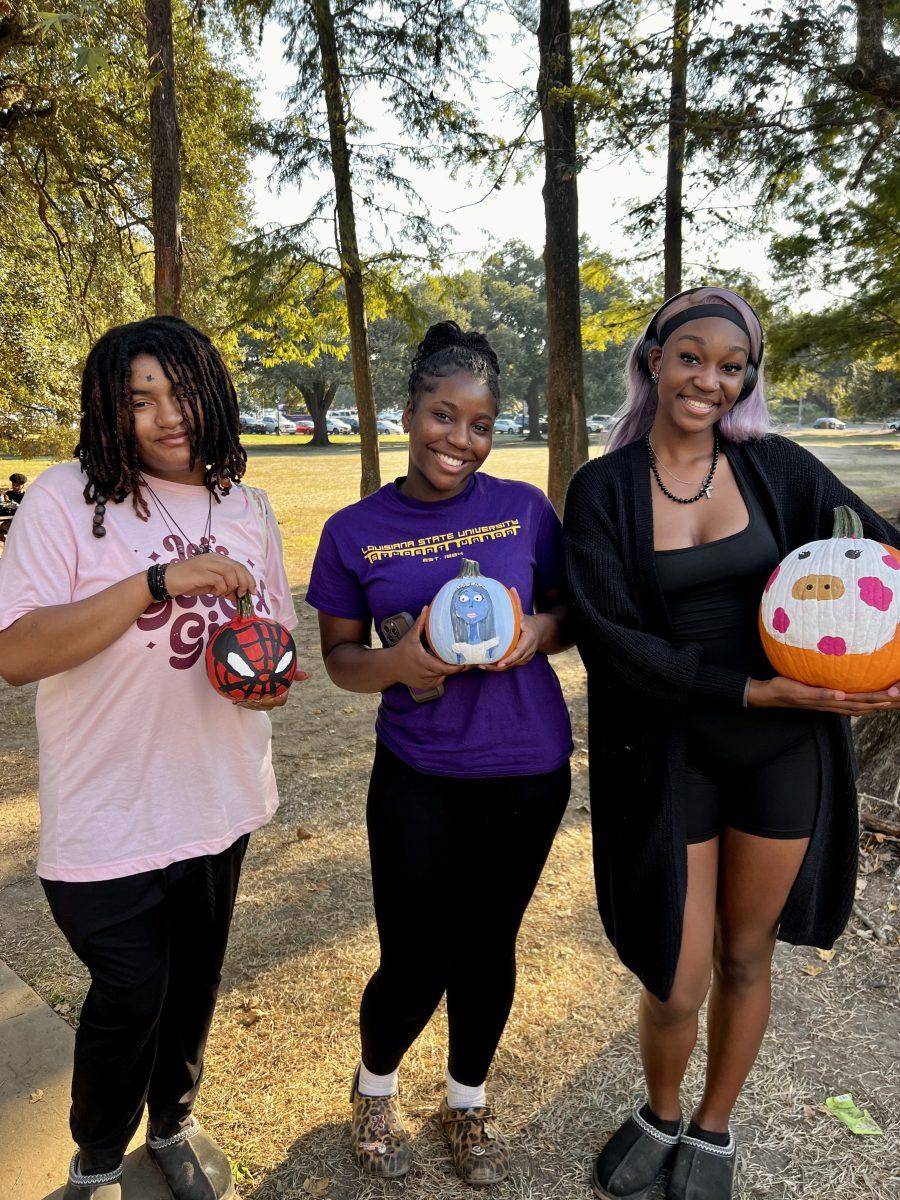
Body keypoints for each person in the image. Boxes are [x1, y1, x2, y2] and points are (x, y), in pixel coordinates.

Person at [563, 286, 900, 1200]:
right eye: (691, 357)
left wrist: (879, 666)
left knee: (748, 955)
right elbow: (613, 636)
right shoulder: (603, 488)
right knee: (676, 980)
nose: (708, 379)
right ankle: (659, 1109)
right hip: (670, 756)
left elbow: (879, 552)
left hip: (786, 750)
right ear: (653, 359)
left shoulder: (779, 469)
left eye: (731, 365)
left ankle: (711, 1128)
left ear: (745, 379)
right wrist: (749, 685)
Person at [0, 316, 299, 1200]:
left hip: (219, 798)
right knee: (130, 994)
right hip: (110, 811)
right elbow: (16, 653)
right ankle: (95, 1160)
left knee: (194, 984)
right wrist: (160, 581)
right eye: (140, 401)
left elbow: (273, 634)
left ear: (213, 390)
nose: (168, 416)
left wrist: (270, 675)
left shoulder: (245, 505)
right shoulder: (67, 497)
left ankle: (171, 1121)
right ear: (110, 413)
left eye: (181, 391)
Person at [306, 321, 573, 1187]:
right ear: (411, 411)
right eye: (442, 416)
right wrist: (402, 665)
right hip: (418, 772)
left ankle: (466, 1098)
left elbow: (568, 614)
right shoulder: (354, 531)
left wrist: (537, 630)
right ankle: (375, 1084)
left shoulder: (527, 510)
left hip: (528, 768)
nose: (459, 439)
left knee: (490, 946)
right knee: (416, 955)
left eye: (480, 424)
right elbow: (342, 660)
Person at [0, 472, 26, 544]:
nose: (14, 487)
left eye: (17, 485)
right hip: (8, 517)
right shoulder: (8, 493)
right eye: (13, 484)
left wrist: (14, 504)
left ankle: (10, 544)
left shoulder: (25, 496)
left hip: (18, 520)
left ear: (22, 485)